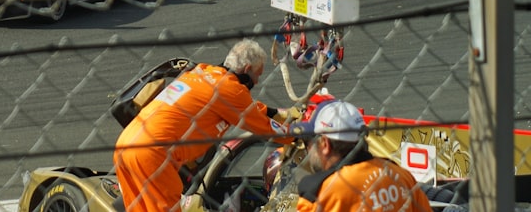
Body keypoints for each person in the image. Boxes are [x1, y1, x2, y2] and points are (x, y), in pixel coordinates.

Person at [114, 39, 293, 212]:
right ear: (247, 69)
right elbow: (267, 129)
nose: (257, 82)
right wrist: (301, 134)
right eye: (258, 75)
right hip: (154, 155)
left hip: (126, 144)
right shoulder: (230, 89)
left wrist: (278, 112)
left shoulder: (200, 72)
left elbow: (246, 106)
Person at [294, 100, 433, 212]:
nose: (308, 151)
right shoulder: (401, 176)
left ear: (325, 144)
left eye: (308, 143)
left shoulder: (319, 194)